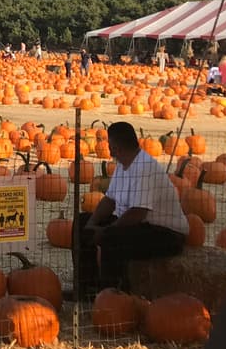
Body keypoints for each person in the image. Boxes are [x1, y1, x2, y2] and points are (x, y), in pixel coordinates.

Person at [73, 121, 188, 298]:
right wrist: (91, 223)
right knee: (81, 223)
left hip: (166, 233)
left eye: (110, 145)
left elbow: (138, 213)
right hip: (140, 224)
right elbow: (109, 200)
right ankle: (86, 288)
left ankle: (112, 296)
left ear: (116, 148)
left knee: (112, 238)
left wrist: (106, 231)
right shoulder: (123, 164)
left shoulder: (145, 167)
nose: (109, 149)